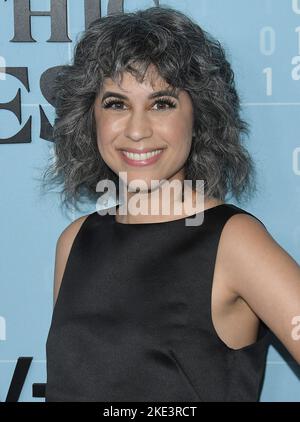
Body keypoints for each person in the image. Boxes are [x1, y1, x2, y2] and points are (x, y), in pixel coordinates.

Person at [42, 6, 300, 402]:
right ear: (90, 116)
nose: (137, 129)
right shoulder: (75, 241)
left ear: (198, 116)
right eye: (116, 103)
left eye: (162, 103)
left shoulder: (234, 241)